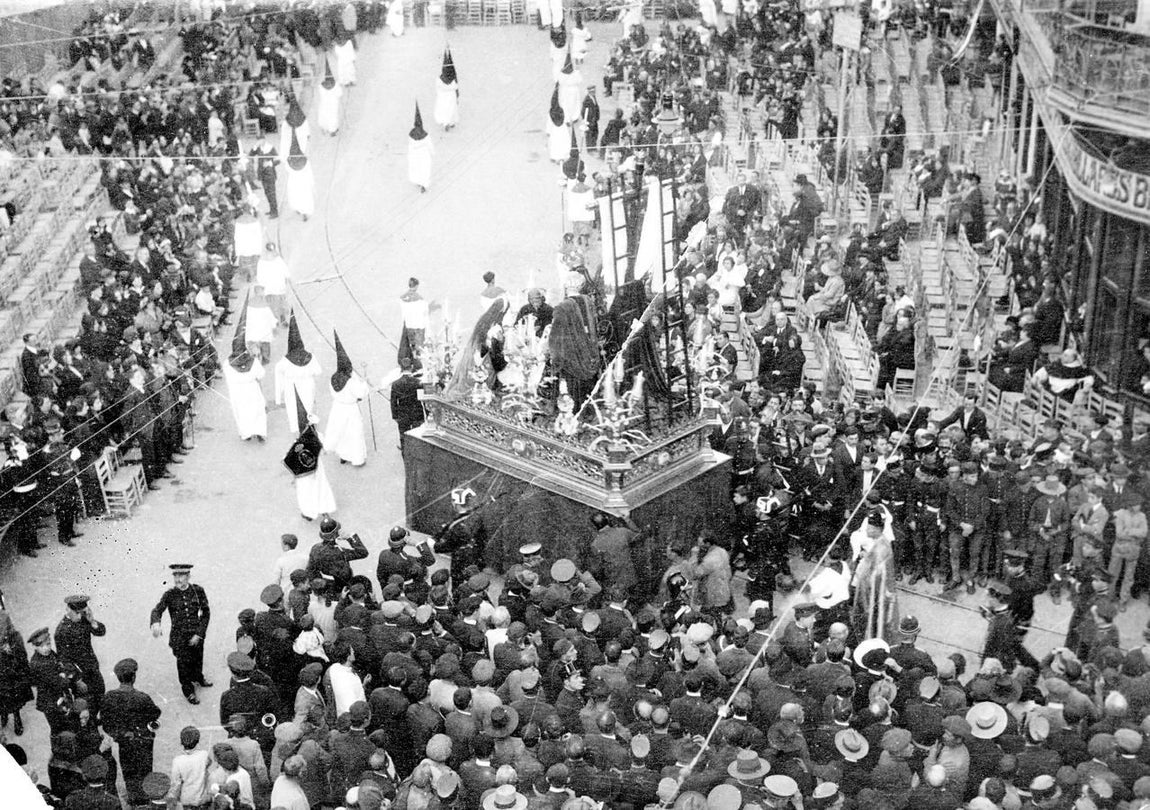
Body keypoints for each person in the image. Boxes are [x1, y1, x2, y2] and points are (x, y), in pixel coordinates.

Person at [100, 657, 161, 805]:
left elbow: (106, 723)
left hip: (124, 743)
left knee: (129, 770)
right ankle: (146, 800)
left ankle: (134, 799)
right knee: (145, 769)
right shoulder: (142, 698)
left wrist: (119, 734)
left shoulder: (109, 697)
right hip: (143, 741)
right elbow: (155, 713)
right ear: (133, 677)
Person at [149, 563, 212, 705]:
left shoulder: (198, 591)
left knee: (197, 658)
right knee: (183, 666)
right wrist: (155, 623)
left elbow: (206, 613)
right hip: (179, 638)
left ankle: (198, 677)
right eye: (175, 575)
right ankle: (188, 690)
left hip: (196, 635)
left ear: (188, 576)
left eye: (181, 575)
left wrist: (199, 634)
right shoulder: (170, 595)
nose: (178, 579)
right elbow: (157, 610)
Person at [286, 391, 338, 521]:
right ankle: (324, 509)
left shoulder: (297, 441)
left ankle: (309, 512)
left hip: (305, 473)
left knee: (306, 492)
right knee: (321, 488)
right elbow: (326, 449)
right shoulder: (318, 436)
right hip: (318, 467)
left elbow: (291, 459)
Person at [223, 294, 268, 443]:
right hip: (252, 390)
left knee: (242, 413)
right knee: (257, 410)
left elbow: (228, 378)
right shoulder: (253, 362)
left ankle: (246, 433)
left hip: (238, 392)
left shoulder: (227, 364)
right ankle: (260, 431)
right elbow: (261, 375)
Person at [54, 595, 106, 714]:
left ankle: (94, 717)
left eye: (82, 613)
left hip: (92, 668)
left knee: (100, 693)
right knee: (86, 703)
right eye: (77, 613)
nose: (79, 616)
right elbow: (64, 660)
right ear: (68, 610)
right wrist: (77, 680)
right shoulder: (62, 631)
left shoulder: (83, 619)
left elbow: (101, 631)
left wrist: (92, 621)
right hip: (80, 675)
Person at [326, 331, 370, 467]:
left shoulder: (333, 378)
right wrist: (364, 382)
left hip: (338, 408)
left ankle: (343, 456)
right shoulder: (350, 382)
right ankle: (357, 458)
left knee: (342, 433)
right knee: (354, 433)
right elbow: (361, 393)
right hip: (351, 409)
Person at [275, 313, 323, 436]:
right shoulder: (309, 357)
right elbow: (318, 371)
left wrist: (278, 396)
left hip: (292, 387)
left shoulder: (285, 360)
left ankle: (299, 432)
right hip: (308, 385)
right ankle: (311, 428)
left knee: (294, 409)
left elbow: (278, 371)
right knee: (309, 406)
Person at [167, 726, 212, 809]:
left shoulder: (177, 760)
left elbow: (176, 784)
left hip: (186, 800)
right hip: (202, 801)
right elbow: (209, 763)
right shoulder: (204, 755)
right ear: (197, 741)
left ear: (181, 741)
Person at [390, 357, 424, 454]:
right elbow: (421, 399)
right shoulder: (418, 383)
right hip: (416, 413)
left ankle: (405, 452)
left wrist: (395, 416)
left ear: (401, 368)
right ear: (411, 367)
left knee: (403, 435)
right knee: (416, 435)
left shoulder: (395, 384)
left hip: (402, 414)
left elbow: (393, 401)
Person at [408, 104, 433, 193]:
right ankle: (423, 184)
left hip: (415, 154)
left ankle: (418, 181)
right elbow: (430, 145)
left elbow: (410, 146)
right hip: (424, 154)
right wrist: (432, 153)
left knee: (416, 168)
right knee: (424, 169)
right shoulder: (425, 135)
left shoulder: (411, 135)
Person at [434, 49, 459, 131]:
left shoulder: (439, 79)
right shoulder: (453, 80)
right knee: (452, 109)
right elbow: (456, 87)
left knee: (444, 109)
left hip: (443, 97)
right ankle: (451, 122)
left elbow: (438, 88)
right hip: (451, 96)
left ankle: (445, 122)